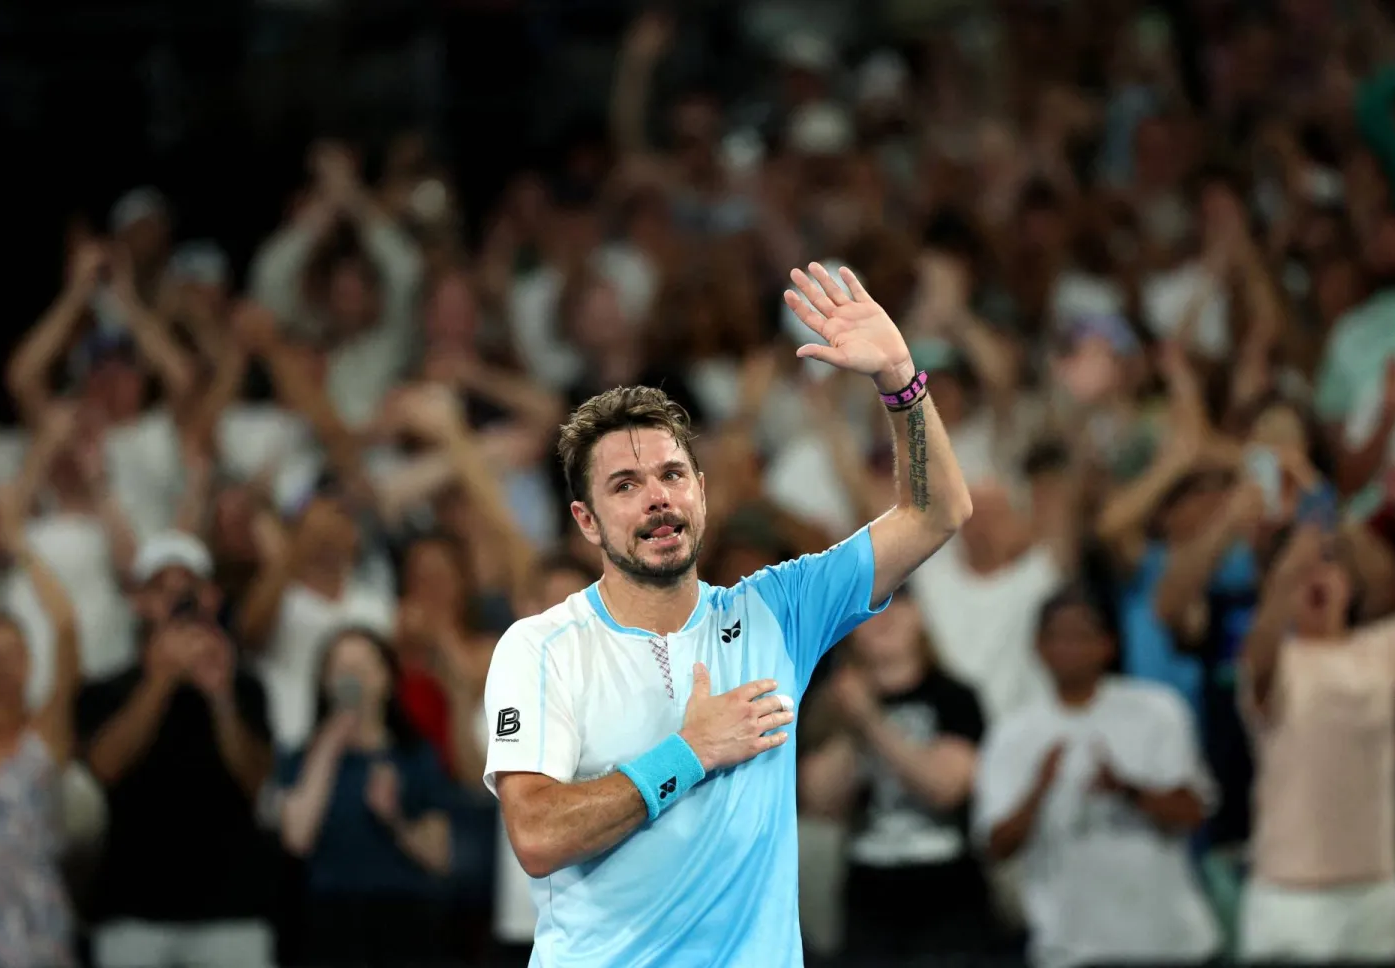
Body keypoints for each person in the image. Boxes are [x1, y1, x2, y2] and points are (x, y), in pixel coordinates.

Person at [481, 262, 973, 966]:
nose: (657, 497)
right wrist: (690, 752)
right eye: (626, 485)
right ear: (586, 522)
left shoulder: (778, 609)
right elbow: (536, 834)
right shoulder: (542, 646)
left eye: (672, 475)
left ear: (702, 495)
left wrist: (900, 376)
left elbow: (936, 513)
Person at [1238, 464, 1395, 962]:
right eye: (1304, 573)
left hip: (1374, 890)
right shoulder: (1272, 661)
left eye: (1329, 566)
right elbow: (1260, 653)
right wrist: (1292, 563)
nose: (1316, 578)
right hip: (1291, 896)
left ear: (1350, 583)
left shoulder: (1377, 651)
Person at [973, 587, 1221, 968]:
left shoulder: (1157, 710)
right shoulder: (1013, 733)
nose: (1069, 647)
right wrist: (1039, 788)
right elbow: (996, 846)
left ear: (1107, 644)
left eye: (1081, 635)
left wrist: (1127, 790)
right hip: (1069, 949)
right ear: (1038, 647)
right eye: (1057, 636)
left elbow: (1192, 813)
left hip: (1169, 943)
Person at [76, 533, 277, 968]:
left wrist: (221, 696)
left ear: (212, 598)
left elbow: (256, 779)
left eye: (189, 589)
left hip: (232, 911)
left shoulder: (245, 687)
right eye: (161, 589)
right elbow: (105, 767)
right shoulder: (105, 690)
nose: (177, 599)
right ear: (139, 602)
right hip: (132, 911)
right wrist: (160, 681)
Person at [798, 587, 996, 959]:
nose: (883, 615)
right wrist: (849, 719)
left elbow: (946, 788)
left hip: (949, 894)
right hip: (869, 896)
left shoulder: (955, 697)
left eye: (897, 600)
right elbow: (820, 802)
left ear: (919, 616)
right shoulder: (832, 705)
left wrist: (870, 721)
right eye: (869, 608)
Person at [277, 627, 456, 968]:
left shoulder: (416, 756)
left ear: (387, 679)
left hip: (403, 915)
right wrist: (332, 740)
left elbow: (440, 857)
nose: (352, 677)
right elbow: (296, 837)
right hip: (327, 916)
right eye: (341, 669)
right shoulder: (303, 758)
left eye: (363, 667)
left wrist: (394, 819)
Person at [0, 492, 80, 968]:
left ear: (30, 663)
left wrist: (22, 548)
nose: (1, 668)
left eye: (13, 655)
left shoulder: (44, 733)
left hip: (37, 923)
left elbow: (67, 629)